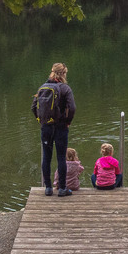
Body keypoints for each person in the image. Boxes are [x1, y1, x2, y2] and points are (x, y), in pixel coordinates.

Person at [32, 62, 76, 197]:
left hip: (46, 127)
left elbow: (34, 107)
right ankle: (62, 188)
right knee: (61, 157)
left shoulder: (42, 87)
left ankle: (48, 188)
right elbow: (72, 108)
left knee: (46, 156)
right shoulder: (65, 89)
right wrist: (67, 121)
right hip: (61, 127)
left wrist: (41, 121)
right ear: (63, 74)